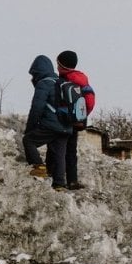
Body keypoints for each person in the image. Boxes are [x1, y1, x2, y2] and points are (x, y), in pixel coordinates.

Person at [23, 55, 71, 190]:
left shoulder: (44, 83)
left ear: (38, 72)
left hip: (51, 125)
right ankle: (59, 183)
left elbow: (36, 108)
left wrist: (30, 129)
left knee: (29, 141)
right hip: (67, 126)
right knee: (59, 154)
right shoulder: (61, 82)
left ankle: (38, 166)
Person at [54, 50, 96, 190]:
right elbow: (90, 100)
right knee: (71, 150)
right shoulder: (82, 80)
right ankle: (72, 180)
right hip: (77, 121)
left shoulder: (61, 80)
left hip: (62, 120)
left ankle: (56, 177)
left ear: (62, 65)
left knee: (58, 149)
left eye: (58, 64)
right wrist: (82, 115)